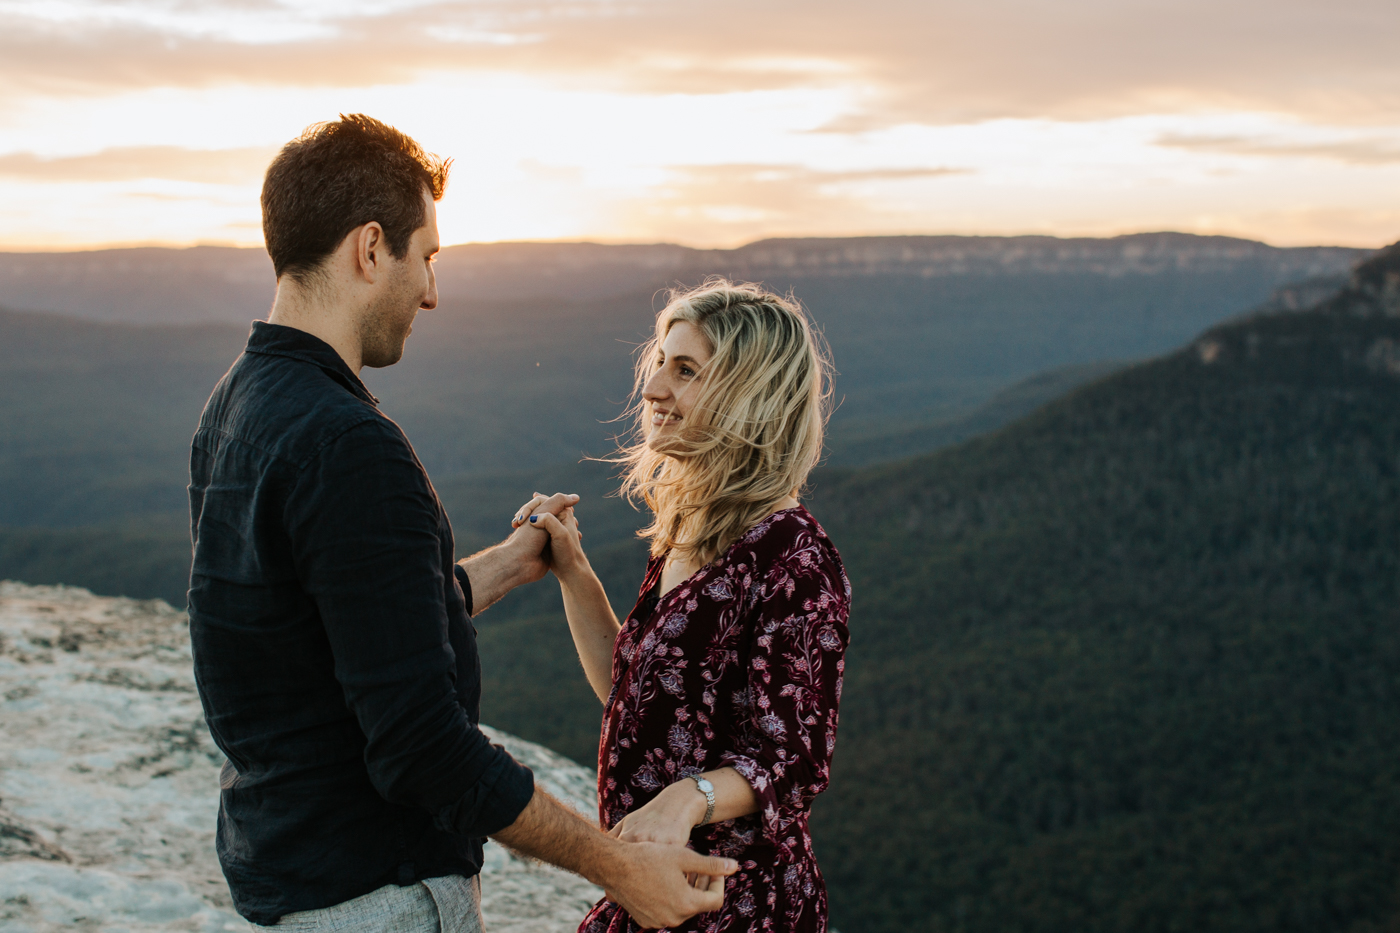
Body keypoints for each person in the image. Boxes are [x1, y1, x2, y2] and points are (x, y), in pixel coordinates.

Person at [186, 114, 736, 932]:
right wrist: (619, 866)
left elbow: (347, 617)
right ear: (371, 249)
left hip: (291, 877)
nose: (433, 291)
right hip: (378, 894)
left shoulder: (236, 405)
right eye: (428, 256)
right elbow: (424, 749)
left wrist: (516, 562)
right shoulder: (351, 447)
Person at [519, 281, 852, 932]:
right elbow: (634, 691)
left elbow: (798, 758)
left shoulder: (796, 559)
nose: (652, 389)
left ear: (750, 396)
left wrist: (687, 798)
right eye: (660, 363)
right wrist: (573, 572)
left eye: (686, 369)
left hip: (731, 902)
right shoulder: (693, 524)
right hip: (651, 882)